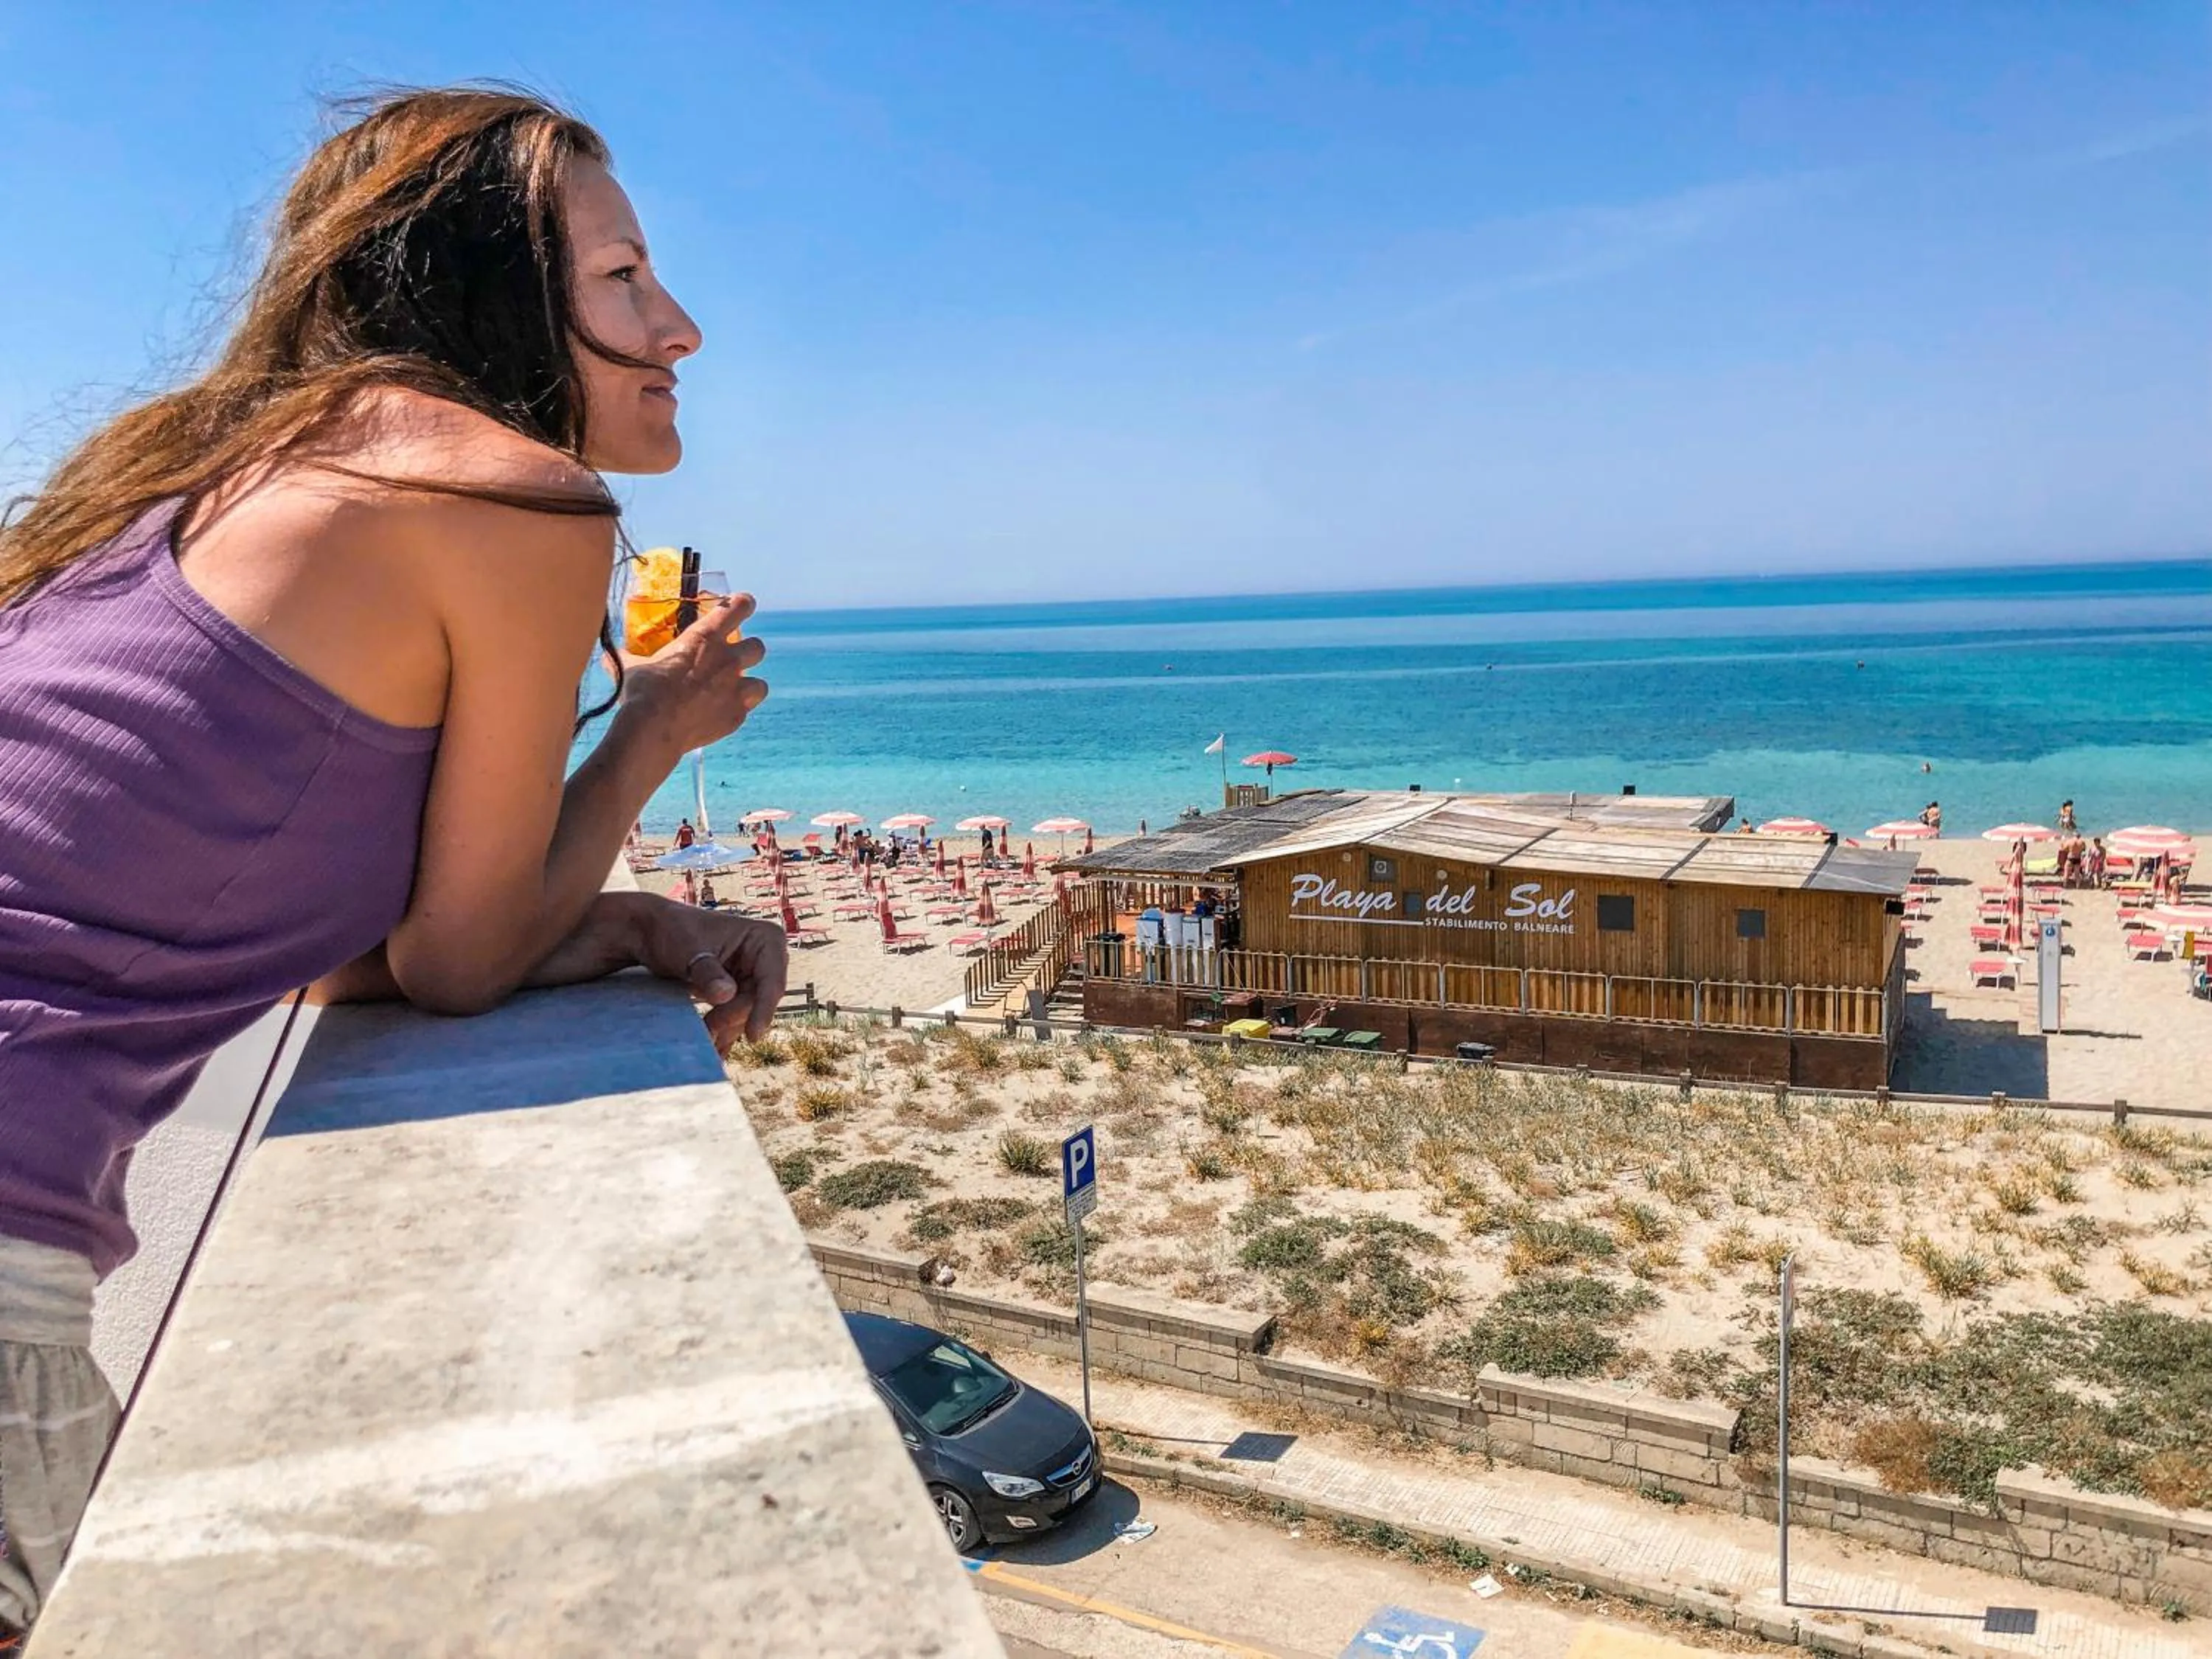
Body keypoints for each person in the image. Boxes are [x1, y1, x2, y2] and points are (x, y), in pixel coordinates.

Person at [0, 88, 790, 1638]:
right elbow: (457, 964)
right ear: (482, 283)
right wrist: (649, 733)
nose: (679, 326)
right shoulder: (507, 497)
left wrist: (616, 919)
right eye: (625, 277)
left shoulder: (213, 472)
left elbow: (255, 917)